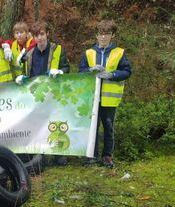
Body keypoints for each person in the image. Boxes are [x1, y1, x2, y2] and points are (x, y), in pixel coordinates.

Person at [79, 19, 131, 168]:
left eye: (107, 34)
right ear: (96, 35)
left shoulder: (119, 53)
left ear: (112, 35)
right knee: (92, 128)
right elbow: (81, 70)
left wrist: (111, 75)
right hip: (92, 98)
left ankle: (107, 156)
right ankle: (91, 155)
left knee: (108, 127)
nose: (103, 37)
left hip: (109, 99)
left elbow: (127, 71)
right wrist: (90, 71)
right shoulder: (89, 53)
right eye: (101, 34)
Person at [17, 21, 70, 166]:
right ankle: (37, 153)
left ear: (47, 33)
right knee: (35, 123)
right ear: (32, 37)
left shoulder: (57, 50)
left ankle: (58, 154)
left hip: (54, 93)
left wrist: (60, 71)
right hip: (36, 94)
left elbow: (66, 68)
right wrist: (21, 78)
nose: (39, 38)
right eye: (36, 35)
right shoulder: (29, 53)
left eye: (42, 34)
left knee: (55, 123)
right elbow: (24, 72)